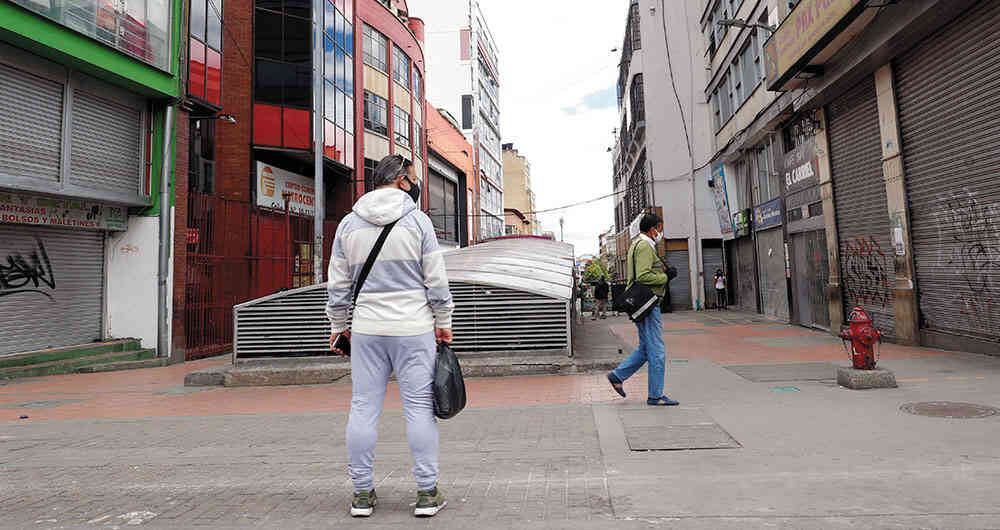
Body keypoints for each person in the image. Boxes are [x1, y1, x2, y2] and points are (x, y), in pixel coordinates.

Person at [327, 154, 454, 518]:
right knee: (418, 408)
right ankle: (427, 493)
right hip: (414, 328)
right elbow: (436, 281)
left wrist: (338, 327)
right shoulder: (418, 222)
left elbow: (337, 285)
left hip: (367, 329)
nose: (416, 185)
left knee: (364, 407)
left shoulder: (349, 225)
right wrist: (443, 320)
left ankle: (362, 494)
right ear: (401, 181)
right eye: (413, 178)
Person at [606, 213, 679, 406]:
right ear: (652, 229)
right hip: (648, 304)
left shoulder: (637, 244)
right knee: (657, 350)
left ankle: (617, 376)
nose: (661, 232)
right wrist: (665, 278)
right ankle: (655, 395)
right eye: (660, 228)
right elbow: (643, 276)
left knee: (646, 349)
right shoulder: (645, 246)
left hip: (640, 304)